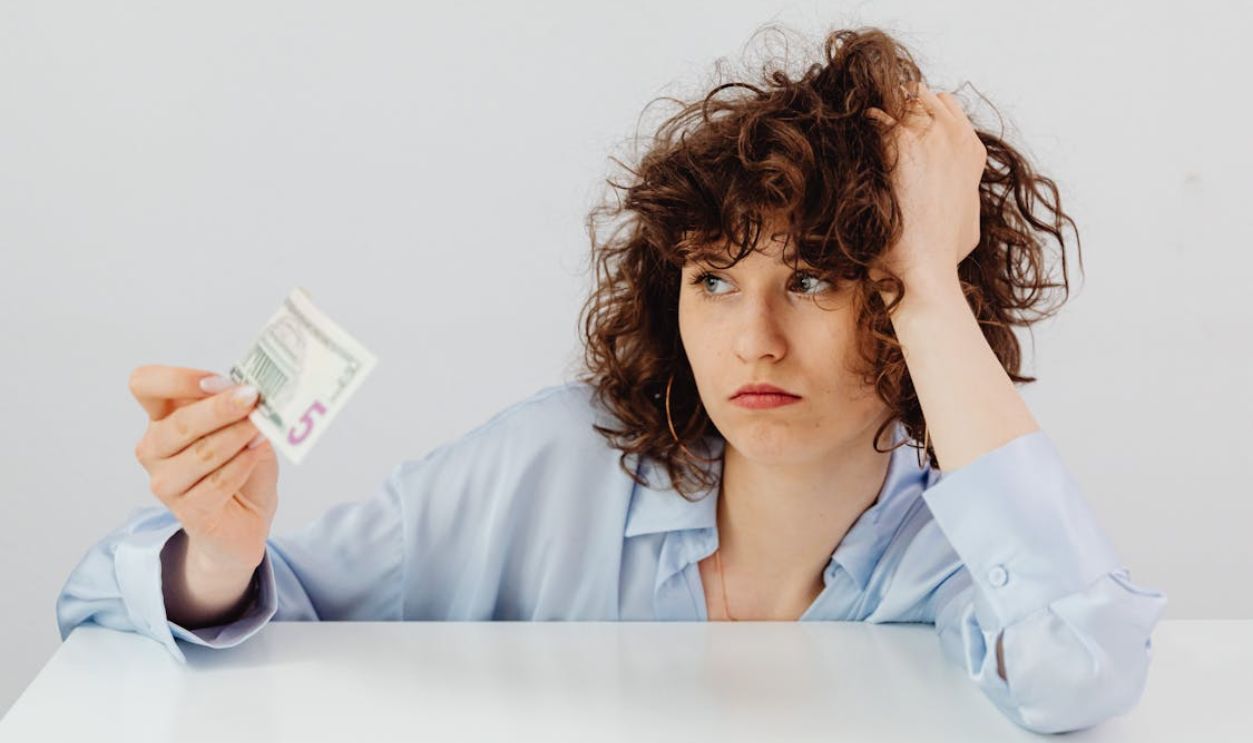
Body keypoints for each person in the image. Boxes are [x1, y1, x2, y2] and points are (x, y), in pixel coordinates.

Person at [55, 26, 1166, 735]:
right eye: (715, 282)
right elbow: (127, 609)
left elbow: (1080, 668)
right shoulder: (550, 466)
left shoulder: (957, 552)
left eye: (817, 281)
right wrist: (218, 554)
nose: (754, 343)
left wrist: (925, 271)